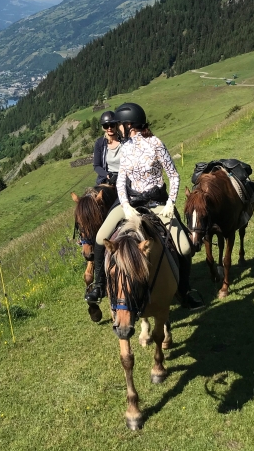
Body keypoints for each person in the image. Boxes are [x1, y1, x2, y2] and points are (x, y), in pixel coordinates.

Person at [84, 102, 203, 310]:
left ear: (129, 125)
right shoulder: (126, 147)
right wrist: (126, 205)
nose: (117, 128)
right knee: (100, 237)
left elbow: (173, 176)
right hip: (130, 201)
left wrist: (170, 202)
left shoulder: (156, 143)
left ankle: (184, 291)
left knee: (184, 247)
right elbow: (121, 180)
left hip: (157, 202)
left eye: (120, 124)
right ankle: (100, 285)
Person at [93, 111, 122, 186]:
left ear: (116, 125)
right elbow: (96, 166)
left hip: (124, 177)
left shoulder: (124, 142)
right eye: (106, 126)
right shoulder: (100, 143)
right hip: (108, 178)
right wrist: (107, 174)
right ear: (103, 128)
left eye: (112, 125)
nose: (109, 128)